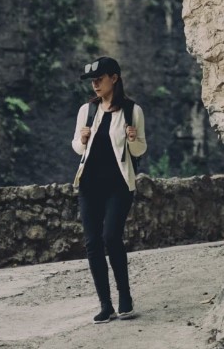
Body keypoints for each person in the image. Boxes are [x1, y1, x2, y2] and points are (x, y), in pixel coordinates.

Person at [72, 56, 147, 324]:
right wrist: (81, 140)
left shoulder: (131, 110)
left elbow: (140, 150)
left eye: (99, 79)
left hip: (118, 185)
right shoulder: (87, 110)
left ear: (114, 78)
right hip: (89, 184)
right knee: (92, 243)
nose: (95, 85)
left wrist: (133, 138)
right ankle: (106, 305)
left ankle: (124, 296)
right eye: (92, 81)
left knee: (111, 236)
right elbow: (78, 148)